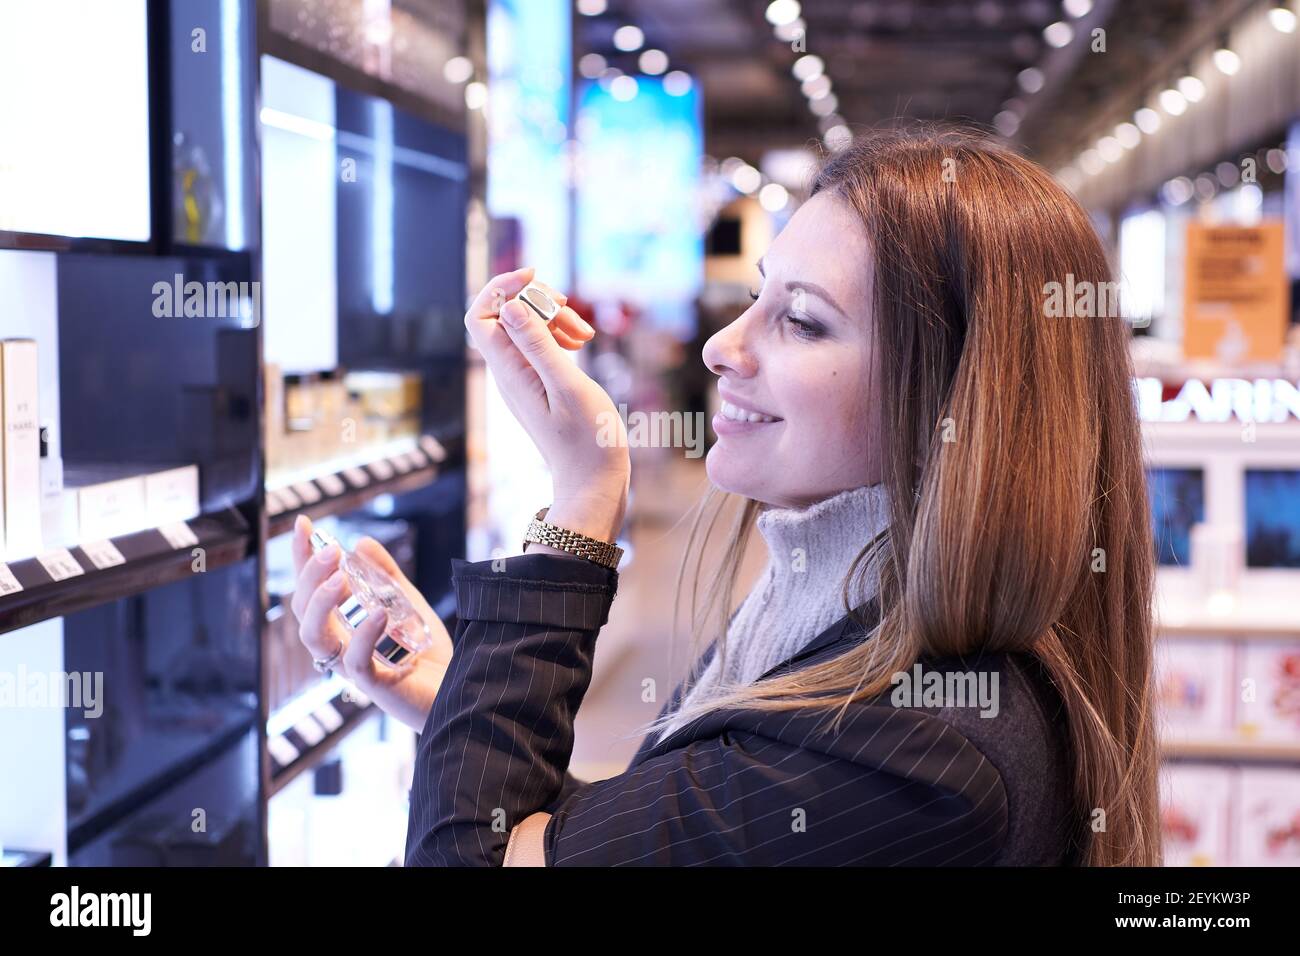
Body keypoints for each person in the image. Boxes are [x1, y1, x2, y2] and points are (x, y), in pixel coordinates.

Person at [290, 126, 1162, 867]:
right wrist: (456, 698)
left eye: (804, 320)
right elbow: (624, 837)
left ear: (951, 399)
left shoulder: (925, 753)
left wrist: (582, 504)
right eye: (756, 297)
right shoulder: (837, 621)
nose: (720, 347)